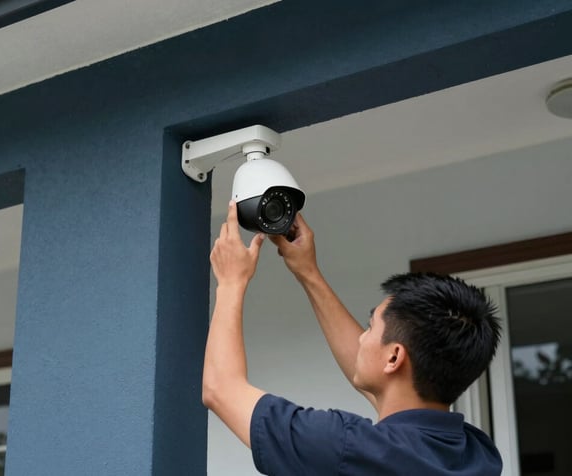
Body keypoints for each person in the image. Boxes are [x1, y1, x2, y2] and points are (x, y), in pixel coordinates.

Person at [202, 201, 503, 475]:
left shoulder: (345, 448)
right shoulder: (476, 454)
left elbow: (220, 389)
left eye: (370, 328)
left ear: (395, 357)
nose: (361, 340)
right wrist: (308, 272)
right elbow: (387, 392)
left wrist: (231, 283)